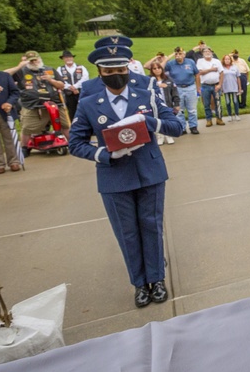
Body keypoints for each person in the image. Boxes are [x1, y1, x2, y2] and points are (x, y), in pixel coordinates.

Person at [68, 37, 183, 307]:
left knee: (151, 227)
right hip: (113, 176)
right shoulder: (89, 103)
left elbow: (175, 126)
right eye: (109, 71)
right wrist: (104, 154)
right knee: (126, 232)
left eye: (121, 69)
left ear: (128, 68)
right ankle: (139, 283)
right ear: (100, 72)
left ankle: (156, 279)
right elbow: (75, 143)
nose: (117, 75)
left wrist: (148, 120)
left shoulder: (146, 95)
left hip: (149, 171)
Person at [13, 50, 71, 148]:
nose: (34, 62)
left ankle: (74, 144)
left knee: (65, 124)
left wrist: (50, 79)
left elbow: (61, 85)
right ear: (26, 62)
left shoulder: (50, 70)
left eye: (36, 60)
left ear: (40, 58)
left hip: (55, 103)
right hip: (32, 104)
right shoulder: (21, 72)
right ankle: (24, 147)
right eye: (31, 61)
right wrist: (19, 66)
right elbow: (4, 75)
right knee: (27, 127)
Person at [164, 46, 200, 134]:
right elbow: (161, 69)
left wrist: (198, 88)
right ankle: (182, 128)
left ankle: (193, 126)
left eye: (180, 54)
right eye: (176, 54)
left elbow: (197, 74)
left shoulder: (190, 62)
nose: (178, 56)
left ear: (184, 54)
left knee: (192, 109)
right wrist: (167, 58)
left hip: (190, 87)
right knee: (179, 110)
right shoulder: (171, 64)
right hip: (177, 89)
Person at [148, 62, 179, 144]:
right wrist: (158, 86)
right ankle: (159, 137)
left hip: (167, 104)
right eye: (154, 69)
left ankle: (169, 136)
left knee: (167, 120)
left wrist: (176, 104)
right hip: (155, 105)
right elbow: (146, 91)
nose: (157, 70)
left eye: (159, 68)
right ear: (152, 70)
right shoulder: (149, 80)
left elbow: (174, 92)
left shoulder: (168, 79)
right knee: (157, 120)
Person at [56, 50, 88, 120]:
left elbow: (85, 78)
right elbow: (60, 80)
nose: (68, 59)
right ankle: (73, 126)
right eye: (66, 58)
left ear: (72, 58)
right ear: (63, 59)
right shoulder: (60, 69)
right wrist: (71, 87)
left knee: (83, 109)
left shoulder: (81, 67)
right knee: (71, 111)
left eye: (70, 57)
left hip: (80, 91)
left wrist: (75, 86)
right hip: (68, 93)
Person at [197, 47, 225, 127]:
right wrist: (211, 69)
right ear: (202, 53)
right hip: (205, 86)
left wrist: (220, 84)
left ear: (212, 53)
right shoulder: (200, 61)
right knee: (206, 104)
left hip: (216, 85)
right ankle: (208, 120)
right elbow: (200, 73)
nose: (207, 53)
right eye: (205, 51)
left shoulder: (217, 61)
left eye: (209, 51)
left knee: (218, 103)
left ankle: (219, 119)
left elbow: (222, 73)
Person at [220, 54, 241, 122]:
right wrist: (221, 88)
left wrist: (239, 88)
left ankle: (237, 114)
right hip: (226, 87)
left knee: (235, 101)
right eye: (225, 59)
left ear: (230, 60)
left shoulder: (234, 67)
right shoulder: (222, 68)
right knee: (228, 102)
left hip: (234, 87)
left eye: (228, 59)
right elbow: (220, 78)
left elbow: (238, 77)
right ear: (223, 60)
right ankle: (229, 115)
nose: (227, 60)